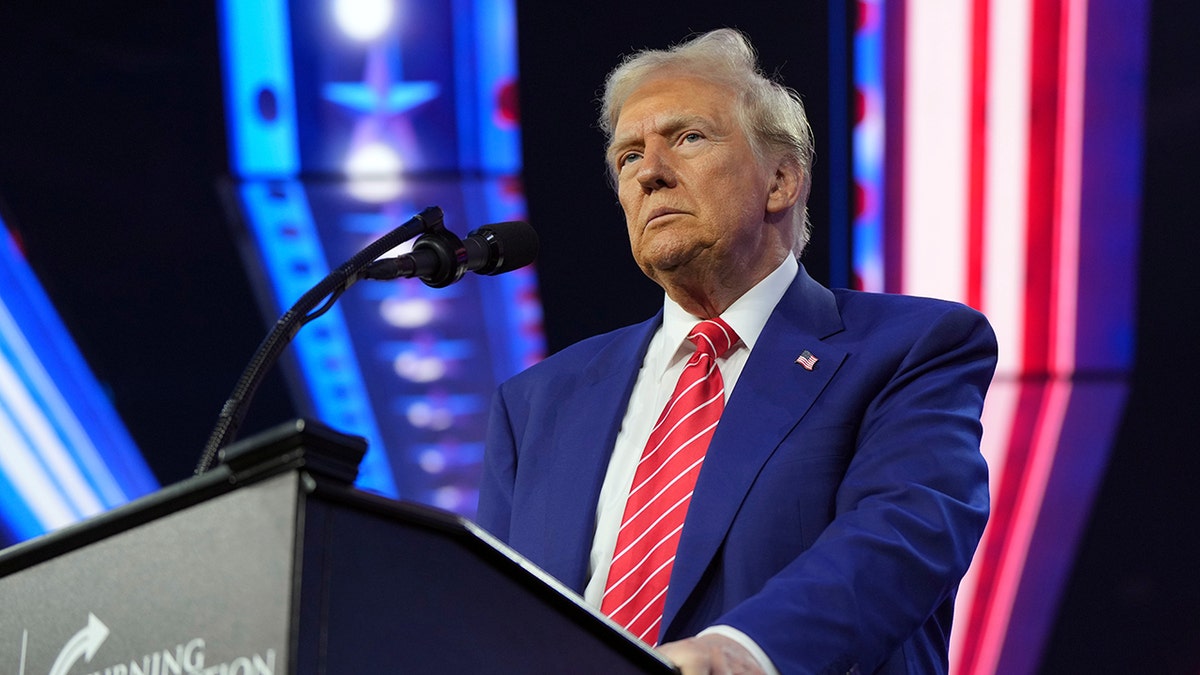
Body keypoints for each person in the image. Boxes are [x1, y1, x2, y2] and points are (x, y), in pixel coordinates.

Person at [477, 28, 997, 675]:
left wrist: (737, 654)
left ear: (781, 179)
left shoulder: (910, 348)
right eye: (628, 156)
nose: (650, 172)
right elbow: (487, 618)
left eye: (687, 137)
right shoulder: (537, 403)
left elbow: (902, 535)